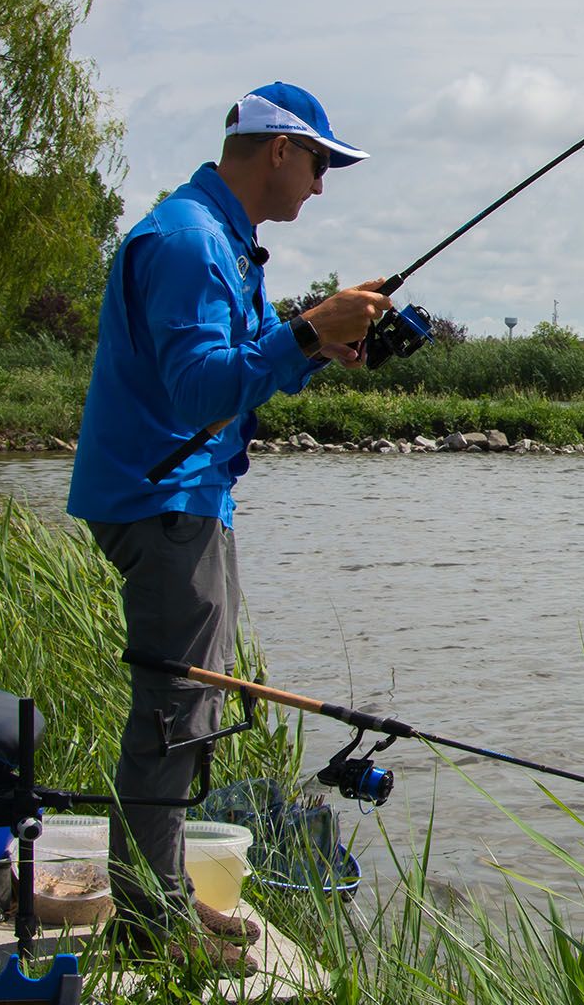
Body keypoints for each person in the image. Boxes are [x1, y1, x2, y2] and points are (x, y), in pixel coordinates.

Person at [67, 81, 393, 973]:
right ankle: (149, 918)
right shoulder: (187, 242)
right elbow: (199, 391)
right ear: (279, 149)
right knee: (175, 713)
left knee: (190, 705)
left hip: (180, 500)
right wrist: (304, 330)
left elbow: (244, 379)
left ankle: (159, 895)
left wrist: (319, 345)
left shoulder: (217, 238)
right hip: (163, 503)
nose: (322, 186)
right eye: (321, 162)